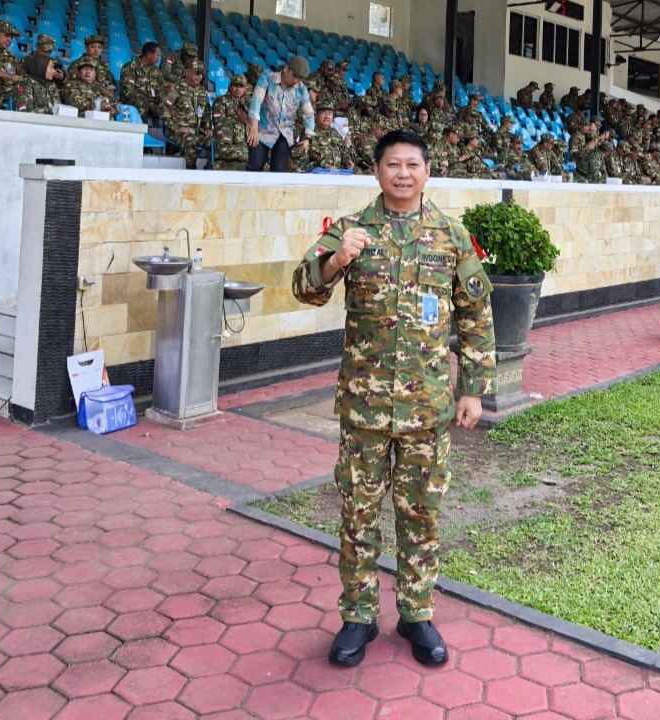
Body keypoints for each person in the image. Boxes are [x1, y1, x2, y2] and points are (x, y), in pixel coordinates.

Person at [291, 128, 496, 669]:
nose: (402, 174)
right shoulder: (351, 230)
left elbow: (476, 316)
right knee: (358, 514)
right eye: (392, 165)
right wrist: (335, 262)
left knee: (420, 514)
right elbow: (303, 287)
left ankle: (416, 613)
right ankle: (358, 617)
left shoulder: (451, 235)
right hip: (364, 406)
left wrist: (474, 390)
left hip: (426, 408)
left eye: (412, 165)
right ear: (377, 171)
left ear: (427, 171)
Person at [247, 54, 315, 172]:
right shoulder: (267, 79)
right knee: (255, 165)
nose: (296, 81)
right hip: (262, 131)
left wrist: (308, 138)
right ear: (286, 68)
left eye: (300, 78)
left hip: (285, 134)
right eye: (294, 75)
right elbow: (256, 103)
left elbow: (308, 114)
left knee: (278, 170)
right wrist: (253, 128)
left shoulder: (301, 89)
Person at [160, 58, 211, 169]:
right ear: (187, 72)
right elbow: (164, 109)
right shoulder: (175, 88)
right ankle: (191, 171)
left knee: (215, 141)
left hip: (197, 132)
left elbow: (206, 112)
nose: (200, 77)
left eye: (201, 74)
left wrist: (208, 128)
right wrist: (176, 128)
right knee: (190, 140)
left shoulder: (202, 91)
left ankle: (210, 170)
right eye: (197, 73)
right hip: (178, 132)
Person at [211, 74, 250, 170]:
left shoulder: (248, 105)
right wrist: (245, 152)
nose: (238, 89)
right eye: (236, 86)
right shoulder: (221, 101)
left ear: (246, 89)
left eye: (241, 86)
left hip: (242, 158)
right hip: (228, 161)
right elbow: (218, 123)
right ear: (230, 87)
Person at [119, 41, 163, 121]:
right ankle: (143, 129)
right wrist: (148, 104)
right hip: (133, 102)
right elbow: (128, 92)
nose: (158, 58)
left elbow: (160, 90)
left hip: (151, 103)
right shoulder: (130, 67)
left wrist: (159, 103)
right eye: (157, 55)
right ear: (149, 55)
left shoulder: (156, 71)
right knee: (141, 106)